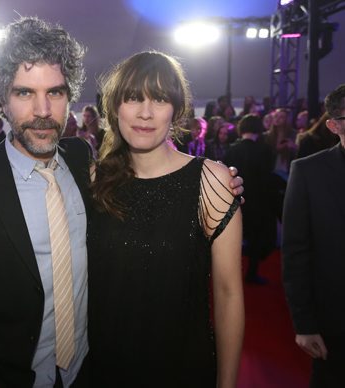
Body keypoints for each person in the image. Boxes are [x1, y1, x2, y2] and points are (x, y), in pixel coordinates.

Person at [0, 18, 245, 388]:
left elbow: (225, 291)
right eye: (25, 93)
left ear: (70, 97)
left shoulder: (82, 163)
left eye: (55, 92)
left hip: (93, 371)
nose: (42, 109)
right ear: (2, 101)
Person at [87, 51, 244, 387]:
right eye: (132, 98)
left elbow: (229, 293)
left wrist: (227, 383)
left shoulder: (212, 181)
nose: (145, 112)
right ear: (115, 108)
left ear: (176, 109)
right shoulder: (93, 181)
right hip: (102, 368)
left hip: (182, 369)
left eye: (159, 98)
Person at [282, 84, 345, 387]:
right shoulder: (308, 172)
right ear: (334, 126)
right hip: (335, 321)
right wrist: (304, 324)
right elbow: (295, 252)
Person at [224, 114, 276, 284]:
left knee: (233, 239)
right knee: (255, 239)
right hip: (259, 202)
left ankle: (229, 276)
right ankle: (251, 274)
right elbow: (268, 178)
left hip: (235, 200)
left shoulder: (231, 150)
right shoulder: (266, 150)